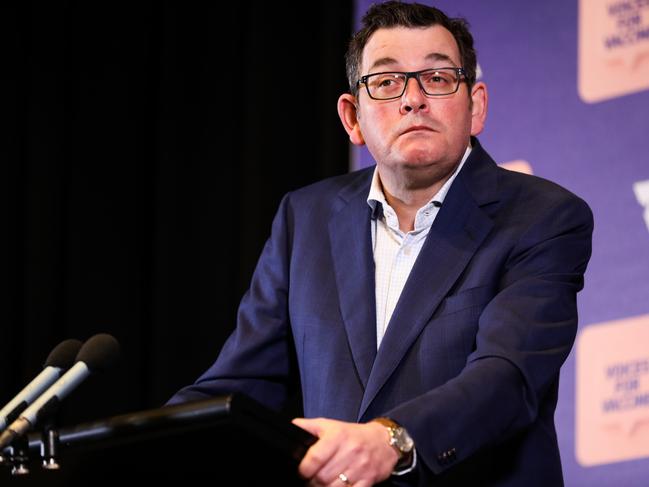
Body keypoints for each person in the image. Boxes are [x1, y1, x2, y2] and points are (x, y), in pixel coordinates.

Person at [168, 2, 593, 486]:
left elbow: (506, 378)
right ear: (352, 118)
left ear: (475, 105)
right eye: (387, 82)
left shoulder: (542, 216)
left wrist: (392, 440)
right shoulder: (304, 219)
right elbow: (241, 384)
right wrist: (134, 451)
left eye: (436, 77)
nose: (413, 99)